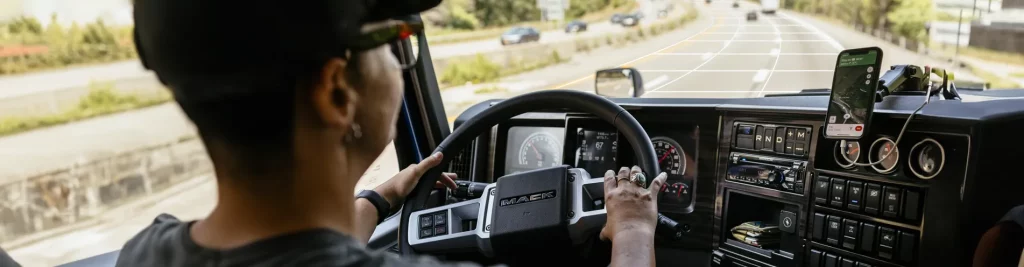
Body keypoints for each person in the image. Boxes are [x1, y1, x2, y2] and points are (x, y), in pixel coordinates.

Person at [117, 0, 667, 266]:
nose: (401, 59)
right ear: (336, 92)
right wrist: (635, 230)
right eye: (396, 40)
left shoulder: (144, 253)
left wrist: (379, 198)